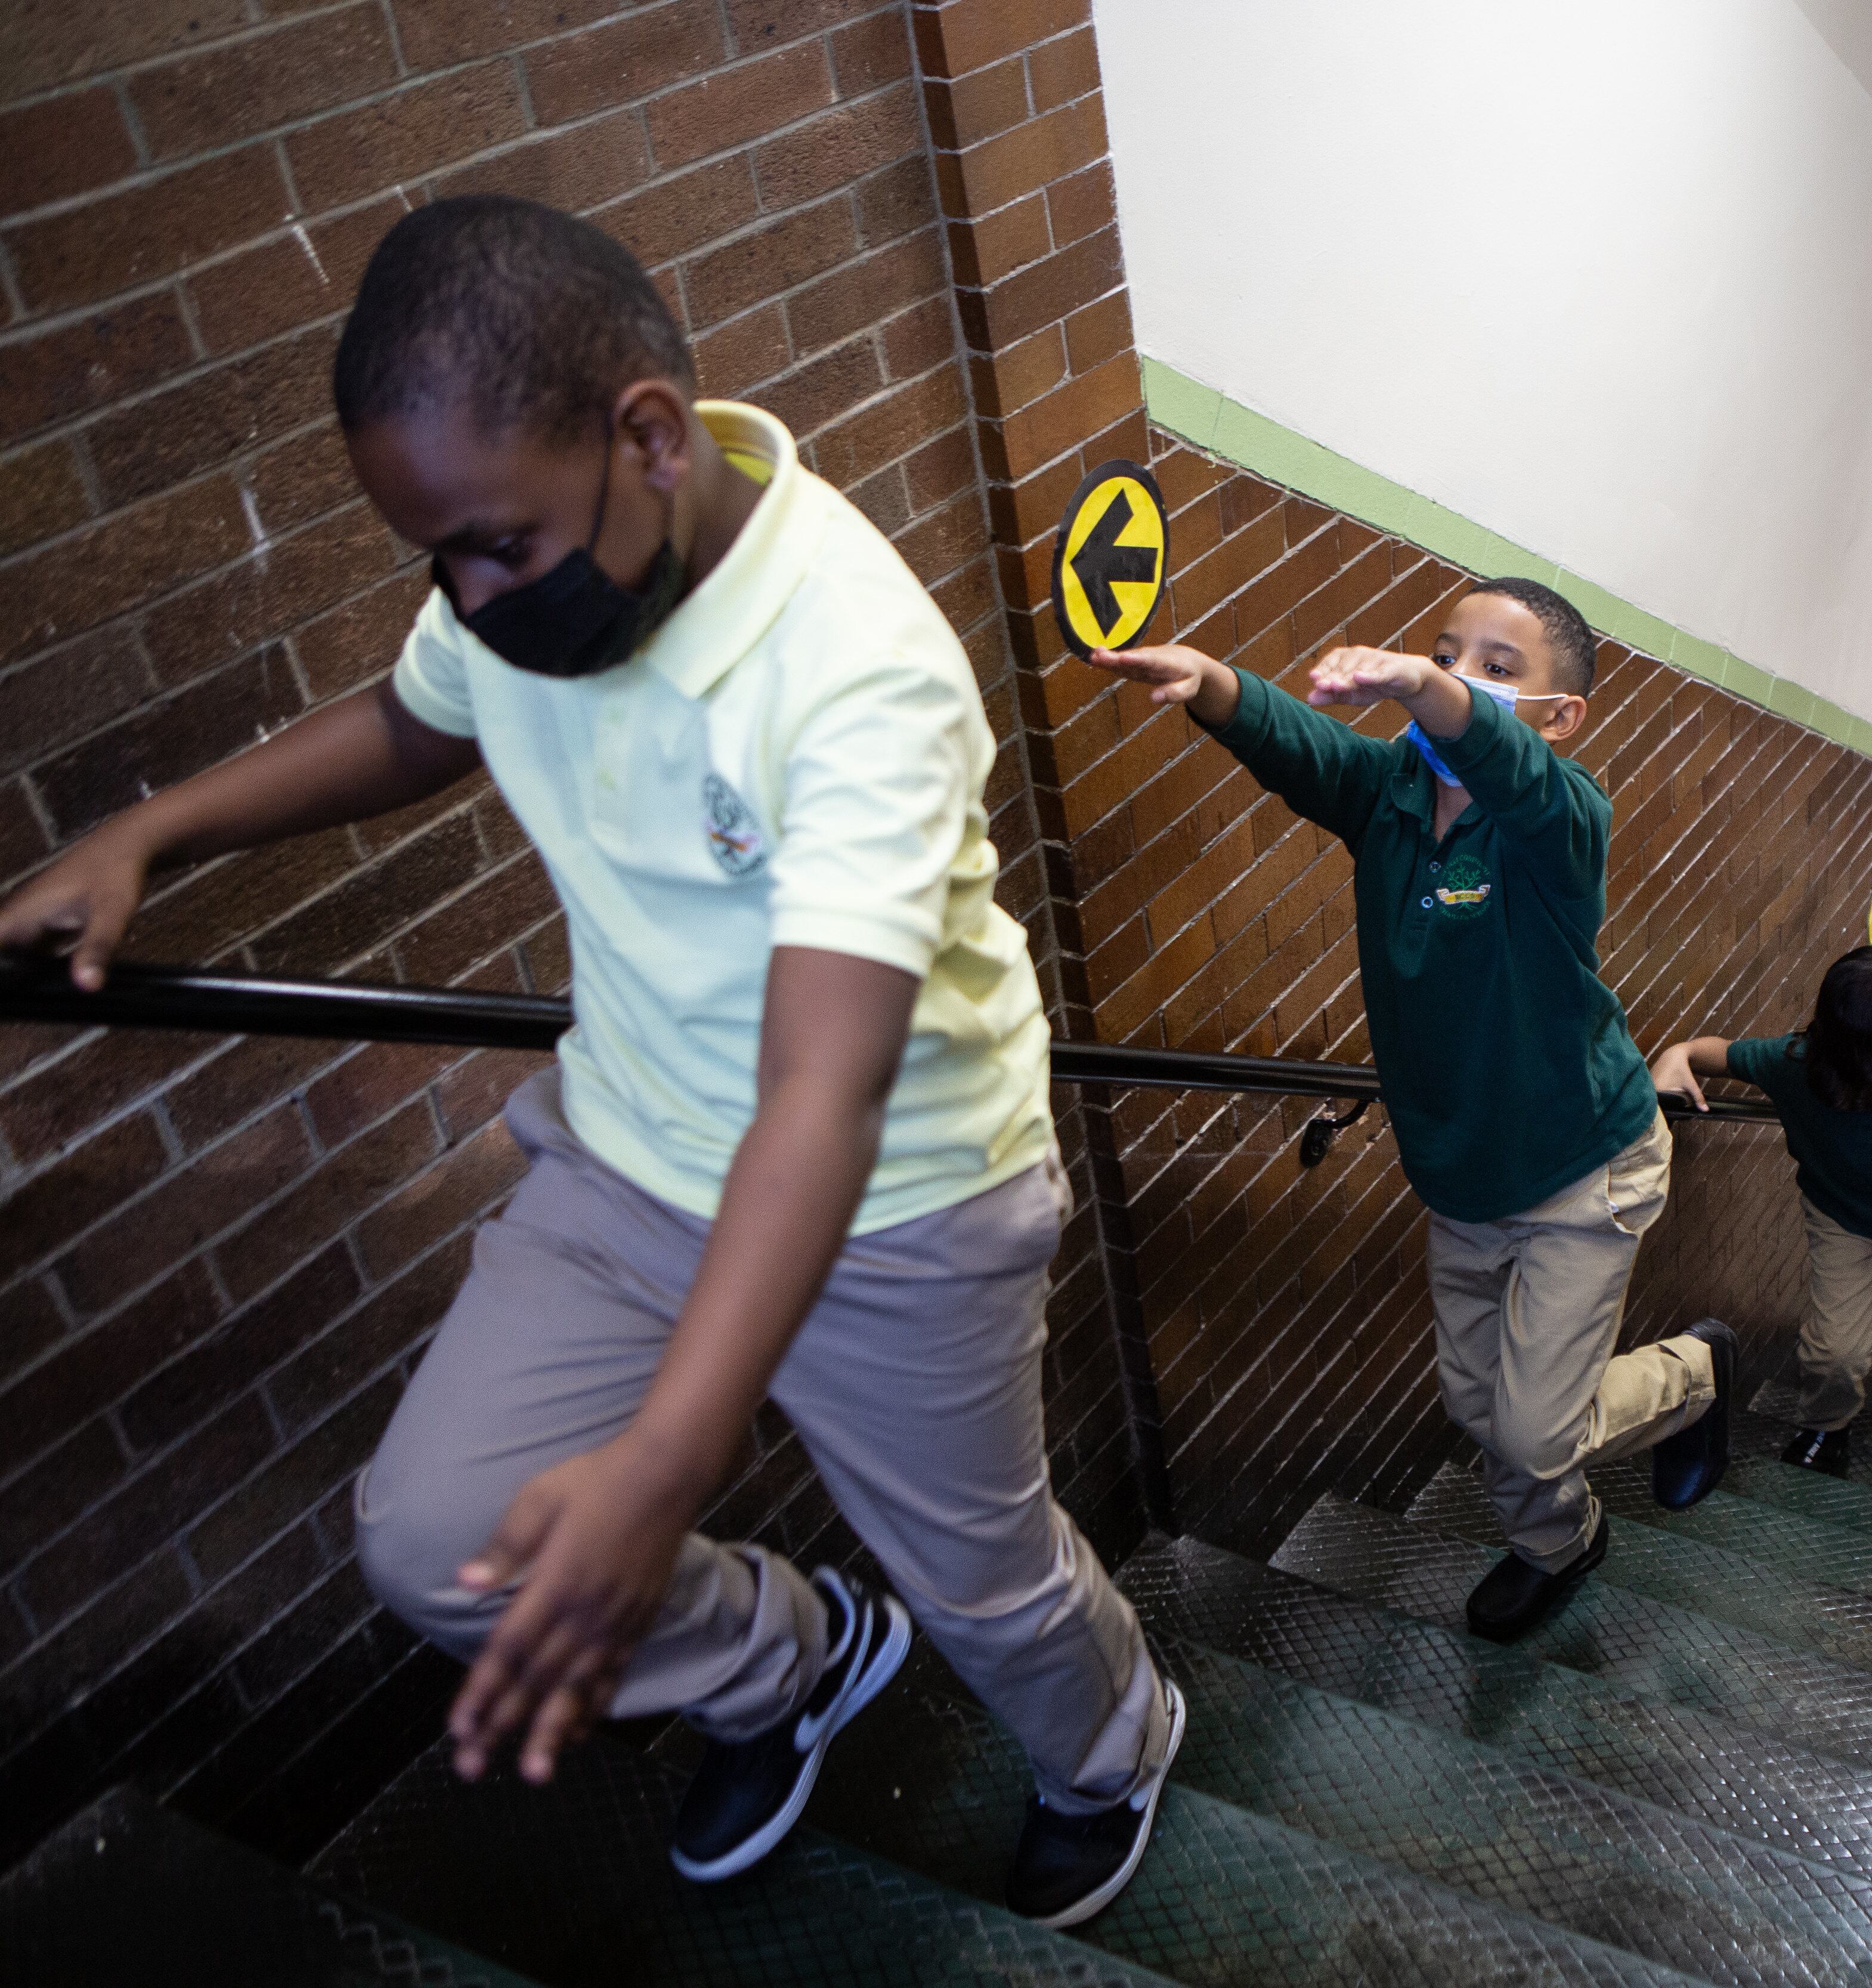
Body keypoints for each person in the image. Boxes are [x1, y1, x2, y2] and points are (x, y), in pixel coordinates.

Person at [0, 199, 1180, 1925]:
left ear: (646, 434)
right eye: (437, 561)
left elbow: (821, 1095)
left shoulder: (856, 670)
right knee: (436, 1536)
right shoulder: (517, 579)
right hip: (631, 1150)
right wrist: (148, 832)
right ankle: (783, 1661)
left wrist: (661, 1466)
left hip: (899, 1197)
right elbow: (419, 719)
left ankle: (1116, 1743)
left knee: (988, 1586)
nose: (471, 601)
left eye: (494, 544)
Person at [1083, 590, 1732, 1644]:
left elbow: (1510, 774)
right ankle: (1604, 1472)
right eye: (1442, 652)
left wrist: (1427, 689)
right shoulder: (1389, 790)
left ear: (1558, 716)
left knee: (1530, 1436)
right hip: (1462, 1176)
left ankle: (1628, 1458)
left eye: (1493, 665)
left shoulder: (1560, 818)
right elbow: (1309, 750)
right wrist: (1213, 685)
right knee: (1480, 1409)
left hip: (1582, 1168)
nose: (1452, 672)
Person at [1648, 946, 1872, 1476]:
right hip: (1841, 1217)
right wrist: (1679, 1054)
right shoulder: (1794, 1065)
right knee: (1836, 1351)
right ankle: (1826, 1427)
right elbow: (1718, 1053)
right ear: (1857, 1052)